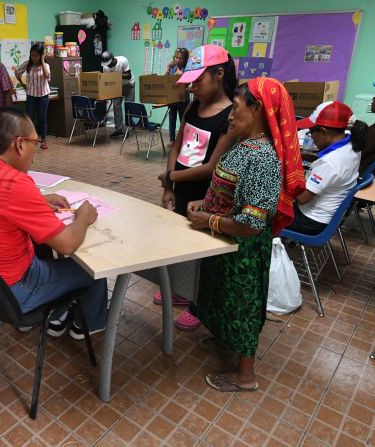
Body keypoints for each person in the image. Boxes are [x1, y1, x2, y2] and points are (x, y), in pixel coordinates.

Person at [0, 107, 108, 339]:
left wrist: (37, 200)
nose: (35, 151)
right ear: (19, 144)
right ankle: (86, 325)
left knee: (41, 245)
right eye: (35, 143)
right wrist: (84, 217)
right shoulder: (15, 183)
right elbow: (67, 244)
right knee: (95, 271)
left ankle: (56, 317)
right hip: (13, 291)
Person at [187, 77, 304, 392]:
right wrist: (207, 202)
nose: (229, 115)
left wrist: (208, 220)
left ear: (258, 111)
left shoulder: (263, 158)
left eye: (236, 108)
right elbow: (228, 188)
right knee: (221, 297)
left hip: (244, 251)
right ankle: (226, 341)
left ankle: (245, 375)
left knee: (242, 304)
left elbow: (252, 223)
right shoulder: (243, 145)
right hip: (225, 243)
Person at [155, 44, 237, 331]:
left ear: (219, 74)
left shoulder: (231, 116)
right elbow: (177, 144)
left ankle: (198, 305)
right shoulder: (193, 107)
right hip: (180, 190)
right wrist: (170, 185)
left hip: (205, 197)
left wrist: (171, 178)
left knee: (202, 253)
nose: (191, 89)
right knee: (179, 245)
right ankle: (180, 289)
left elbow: (213, 166)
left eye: (197, 82)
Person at [287, 101, 368, 235]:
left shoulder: (330, 163)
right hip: (328, 215)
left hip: (310, 220)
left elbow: (302, 198)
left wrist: (287, 172)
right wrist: (308, 157)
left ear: (323, 132)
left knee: (261, 212)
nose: (311, 136)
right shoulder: (352, 145)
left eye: (311, 132)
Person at [15, 43, 51, 150]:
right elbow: (17, 73)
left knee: (42, 119)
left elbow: (47, 76)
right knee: (29, 118)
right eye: (32, 55)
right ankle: (29, 140)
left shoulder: (45, 66)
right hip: (31, 96)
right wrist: (23, 85)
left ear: (41, 55)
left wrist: (43, 61)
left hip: (43, 96)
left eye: (36, 56)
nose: (34, 58)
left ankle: (43, 140)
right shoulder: (28, 65)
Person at [101, 50, 135, 137]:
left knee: (129, 107)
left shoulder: (123, 60)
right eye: (106, 63)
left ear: (112, 59)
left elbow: (128, 76)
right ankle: (119, 129)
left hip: (129, 85)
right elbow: (108, 80)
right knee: (116, 106)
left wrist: (115, 76)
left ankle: (129, 129)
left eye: (109, 63)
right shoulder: (105, 67)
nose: (108, 65)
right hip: (117, 86)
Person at [164, 47, 190, 146]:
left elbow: (188, 83)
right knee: (171, 119)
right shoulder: (172, 67)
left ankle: (183, 141)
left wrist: (181, 75)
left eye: (180, 58)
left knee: (183, 120)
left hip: (183, 99)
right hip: (172, 98)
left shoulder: (187, 68)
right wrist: (167, 68)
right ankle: (172, 140)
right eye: (176, 57)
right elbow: (164, 81)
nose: (177, 60)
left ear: (185, 59)